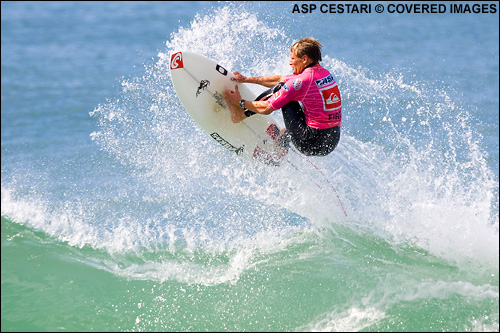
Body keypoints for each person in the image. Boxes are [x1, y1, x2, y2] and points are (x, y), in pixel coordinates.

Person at [224, 37, 342, 156]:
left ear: (304, 59)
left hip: (309, 142)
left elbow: (266, 108)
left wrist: (240, 102)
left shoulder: (302, 81)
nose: (290, 62)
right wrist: (245, 79)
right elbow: (279, 78)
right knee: (287, 89)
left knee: (283, 90)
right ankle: (282, 142)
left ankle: (239, 114)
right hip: (331, 141)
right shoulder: (323, 73)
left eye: (292, 59)